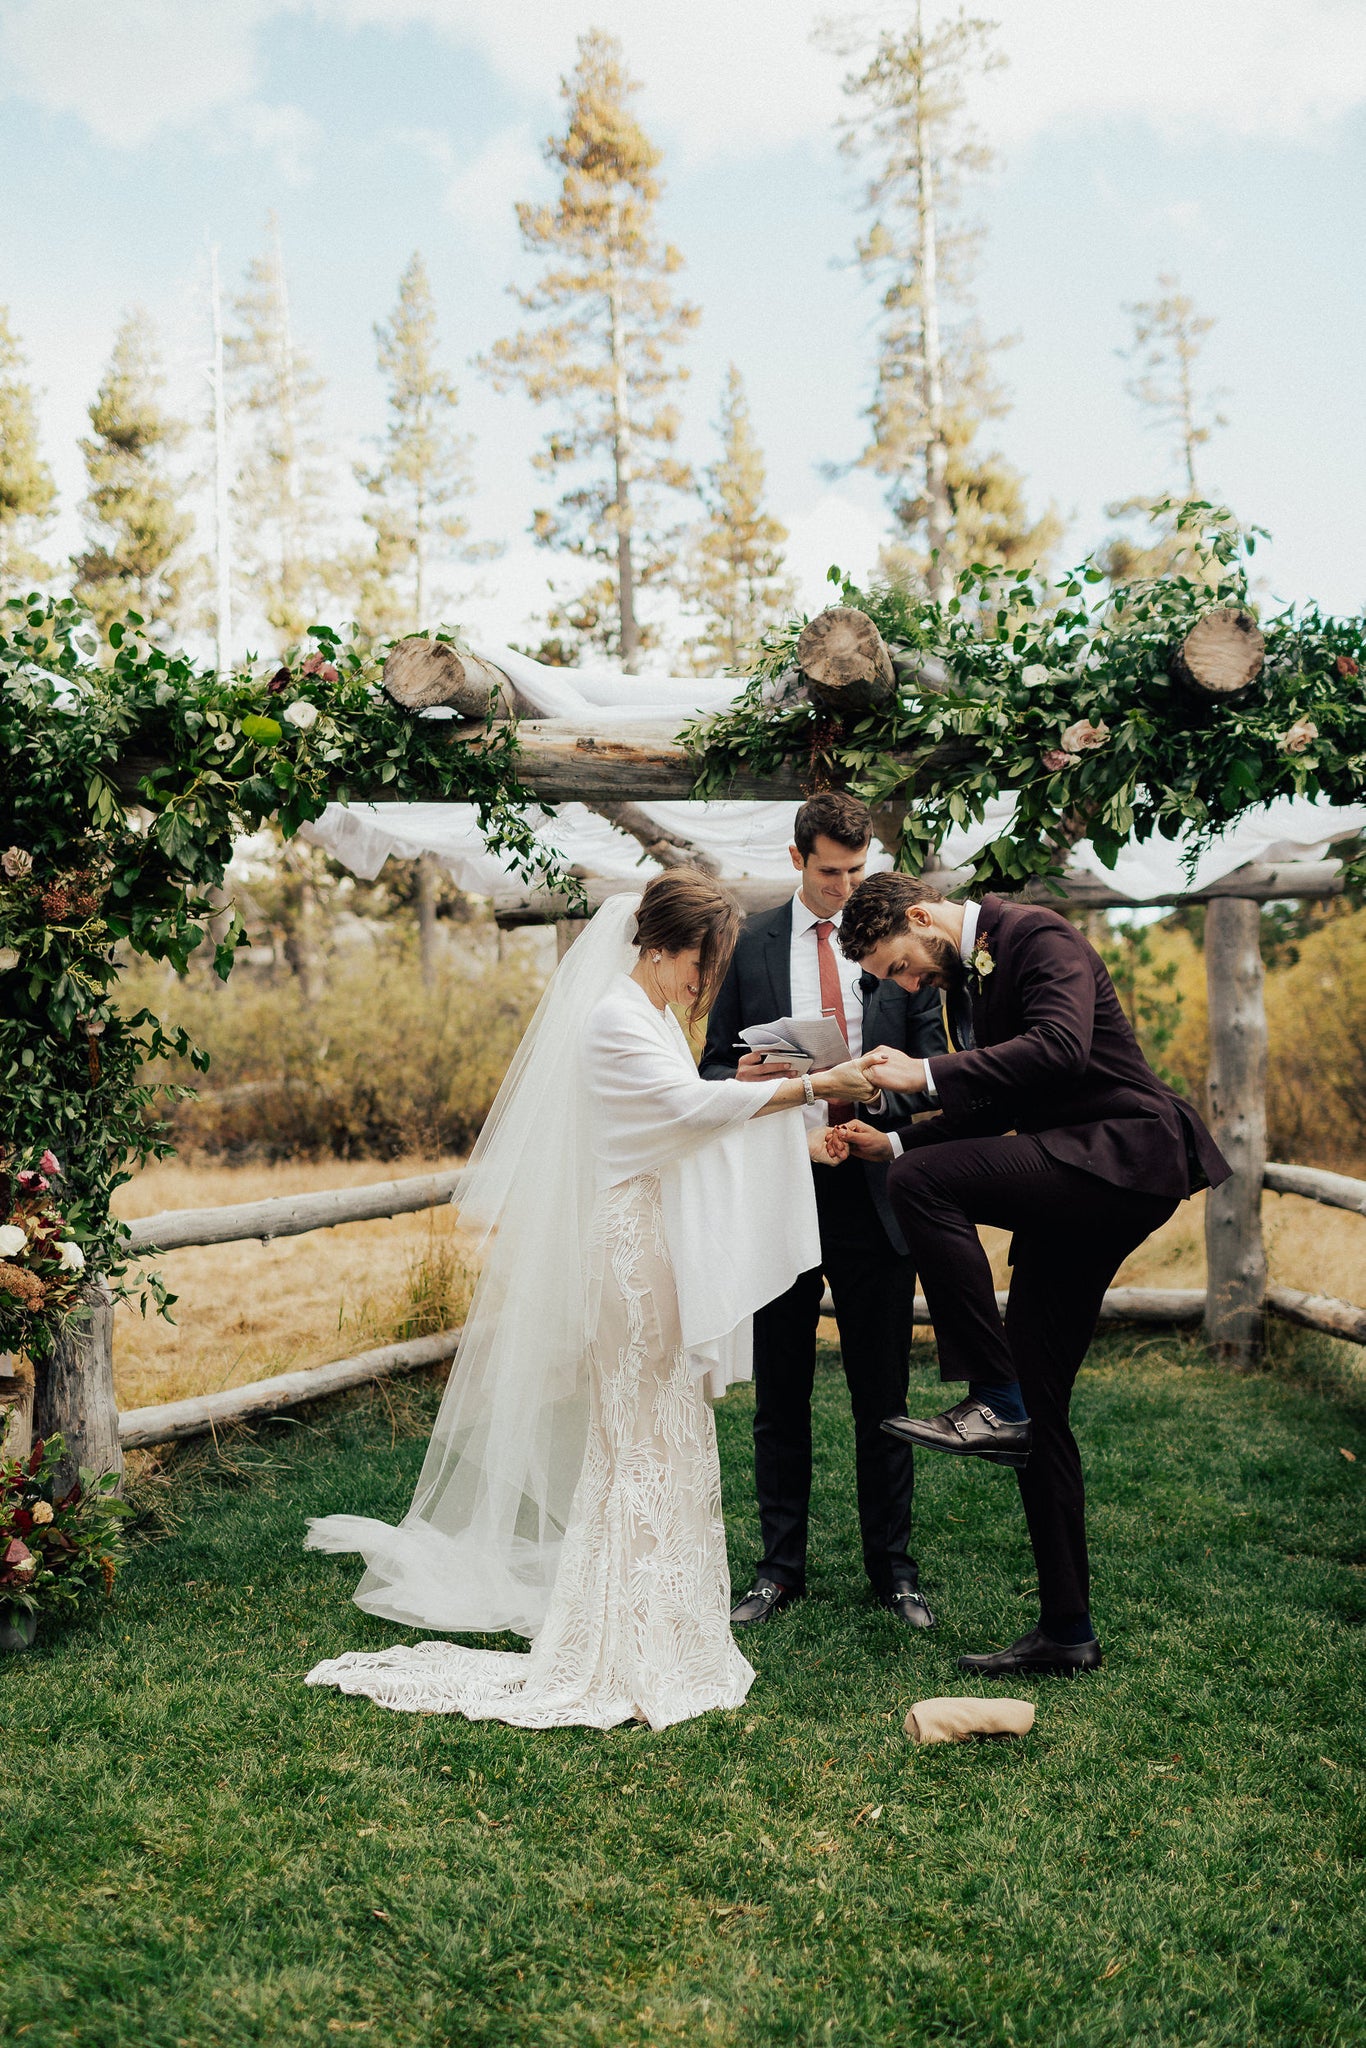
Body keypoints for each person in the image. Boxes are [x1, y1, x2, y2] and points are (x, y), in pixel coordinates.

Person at [303, 872, 880, 1731]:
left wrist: (776, 1112)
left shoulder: (643, 1014)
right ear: (658, 948)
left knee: (658, 1431)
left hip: (654, 1240)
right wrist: (805, 1089)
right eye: (700, 965)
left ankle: (656, 1625)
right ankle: (627, 1640)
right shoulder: (615, 1016)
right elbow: (682, 1110)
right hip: (631, 1252)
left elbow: (684, 1121)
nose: (705, 985)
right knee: (640, 1434)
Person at [836, 873, 1229, 1677]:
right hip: (1078, 1175)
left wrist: (926, 1073)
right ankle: (1066, 1631)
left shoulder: (1038, 936)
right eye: (895, 981)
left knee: (925, 1189)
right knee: (1042, 1407)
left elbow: (1059, 1050)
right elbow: (991, 1103)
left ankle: (995, 1397)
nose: (908, 984)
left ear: (922, 916)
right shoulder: (969, 974)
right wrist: (897, 1137)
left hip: (1126, 1151)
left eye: (903, 967)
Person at [700, 794, 947, 1631]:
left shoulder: (891, 942)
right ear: (799, 857)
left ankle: (895, 1570)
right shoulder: (751, 943)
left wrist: (882, 1119)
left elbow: (930, 1065)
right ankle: (777, 1570)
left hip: (875, 1189)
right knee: (782, 1391)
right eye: (830, 871)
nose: (845, 887)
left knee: (883, 1387)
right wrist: (766, 1082)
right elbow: (712, 1070)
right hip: (779, 1186)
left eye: (856, 870)